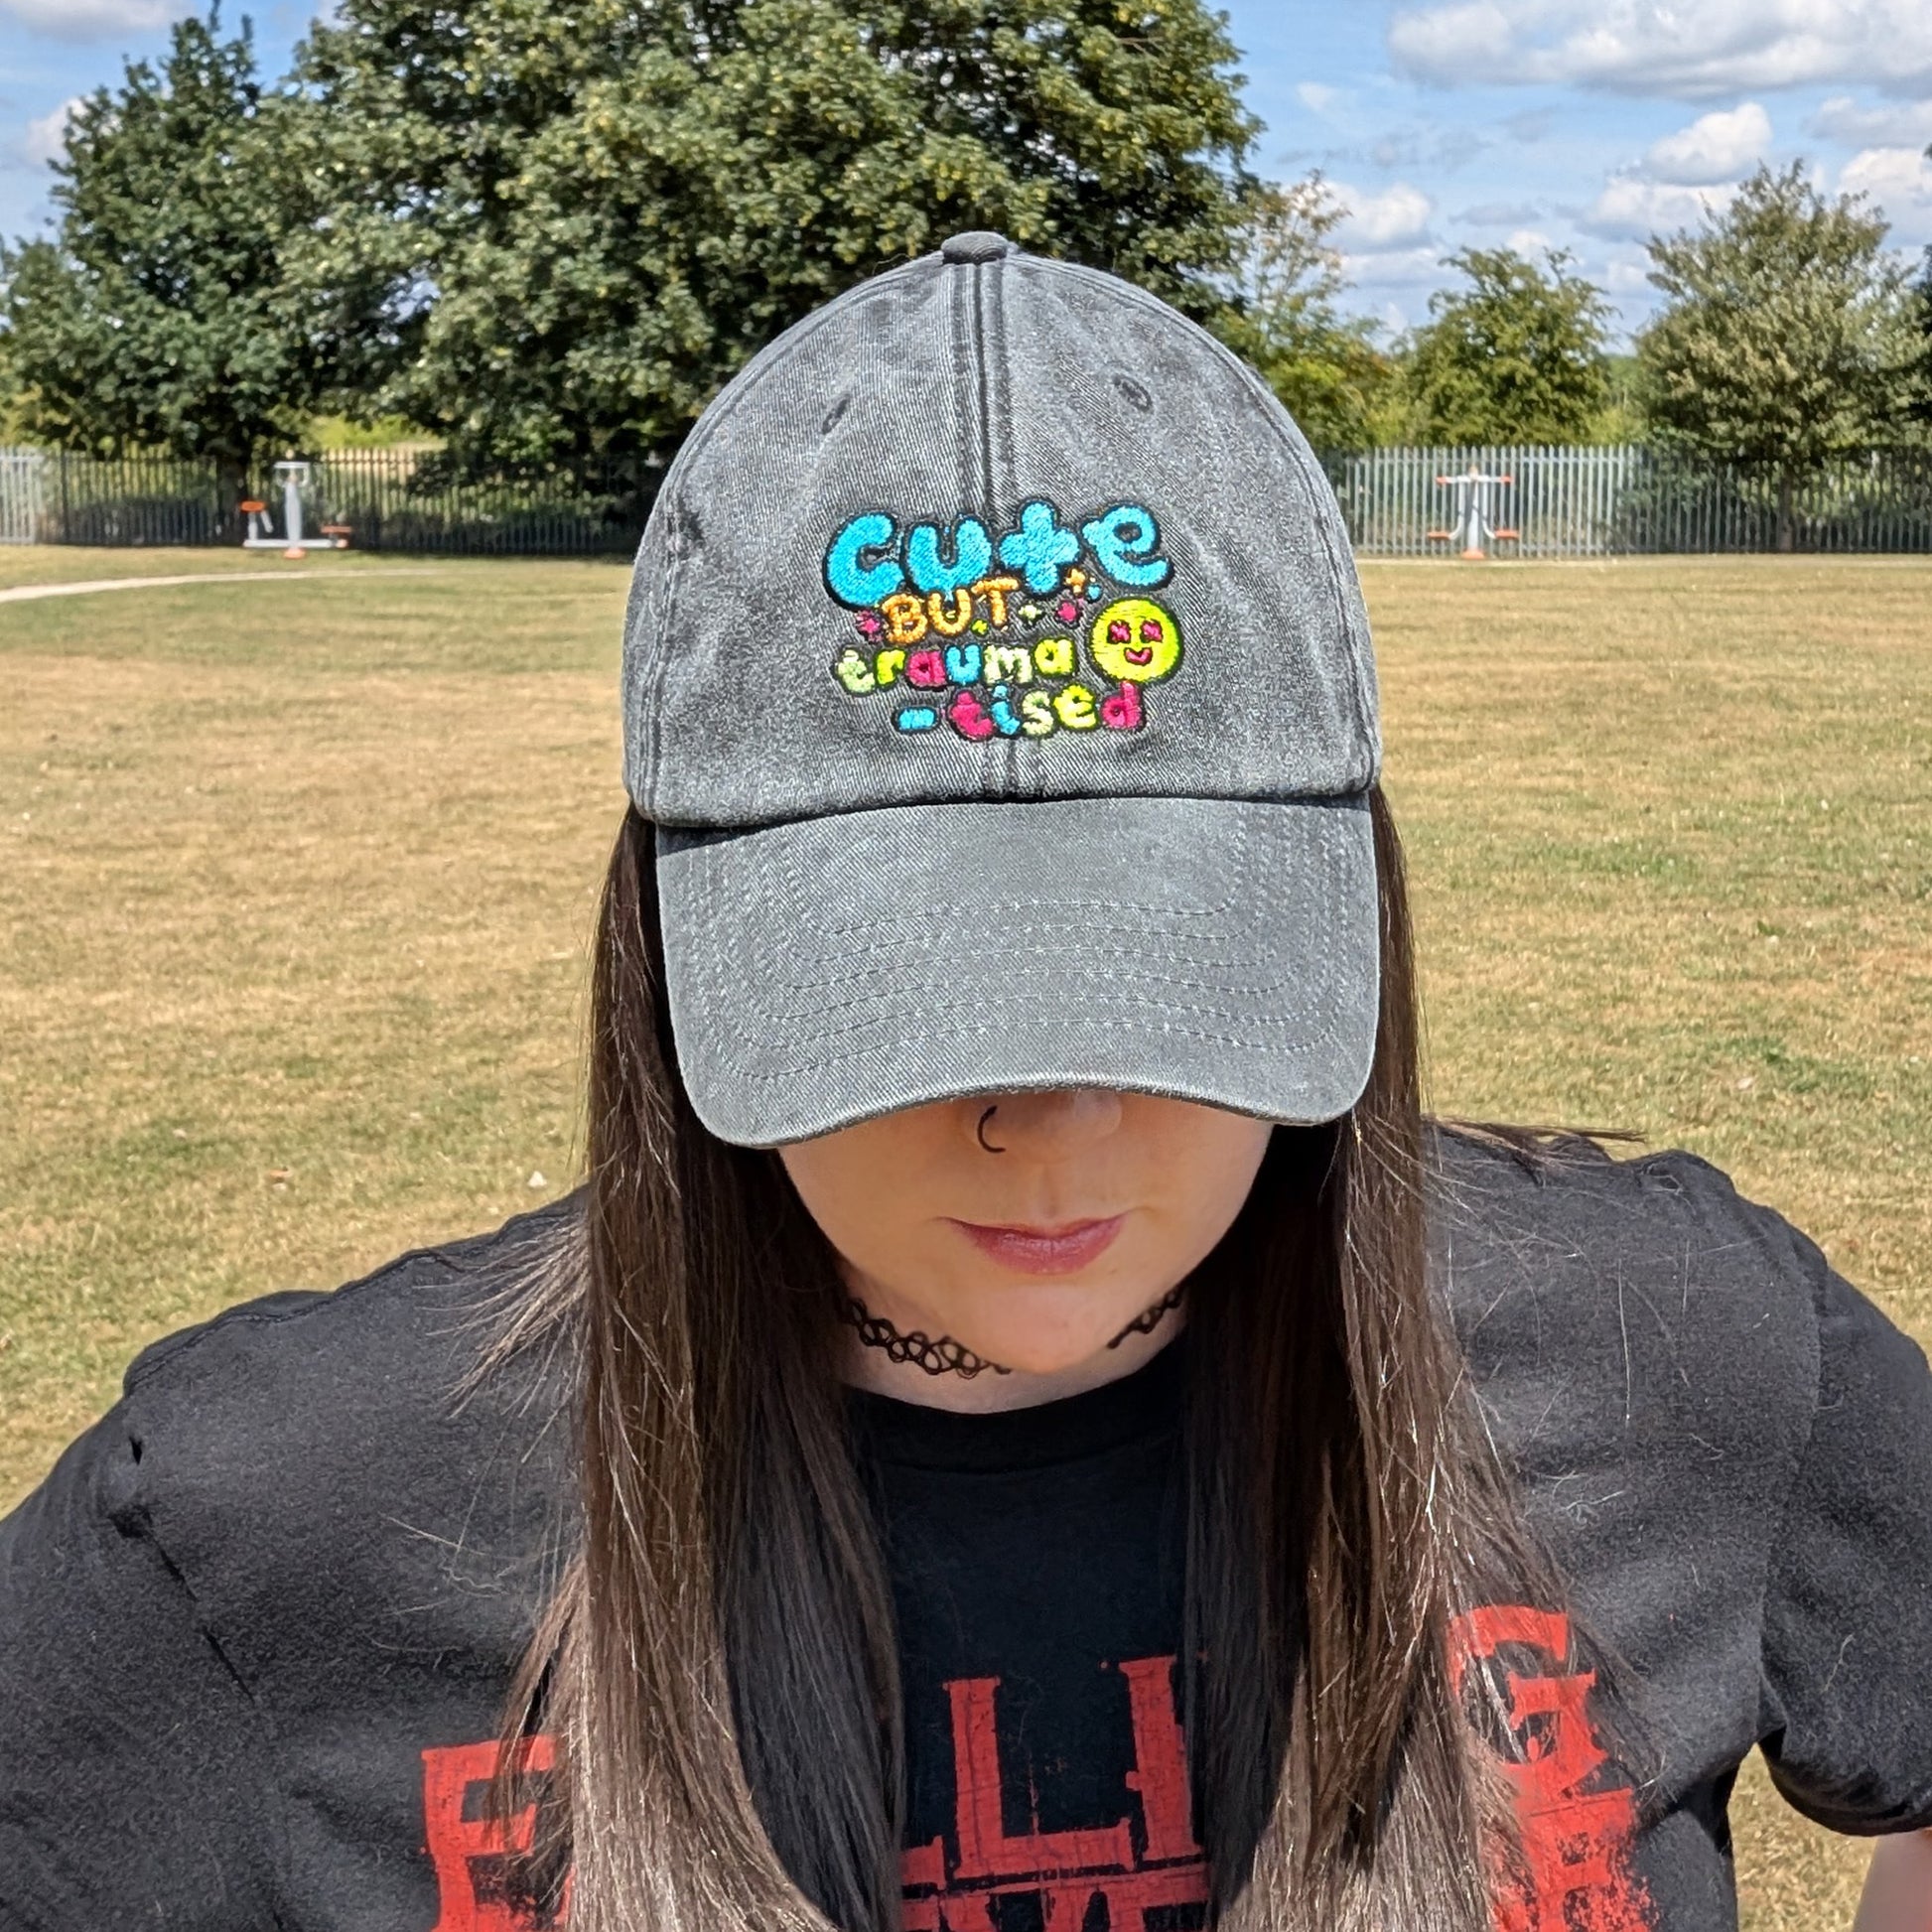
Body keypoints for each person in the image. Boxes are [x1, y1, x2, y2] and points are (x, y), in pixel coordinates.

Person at [1, 231, 1928, 1932]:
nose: (1047, 1125)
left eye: (1165, 981)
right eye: (907, 995)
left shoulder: (1688, 1349)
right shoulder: (275, 1517)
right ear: (671, 946)